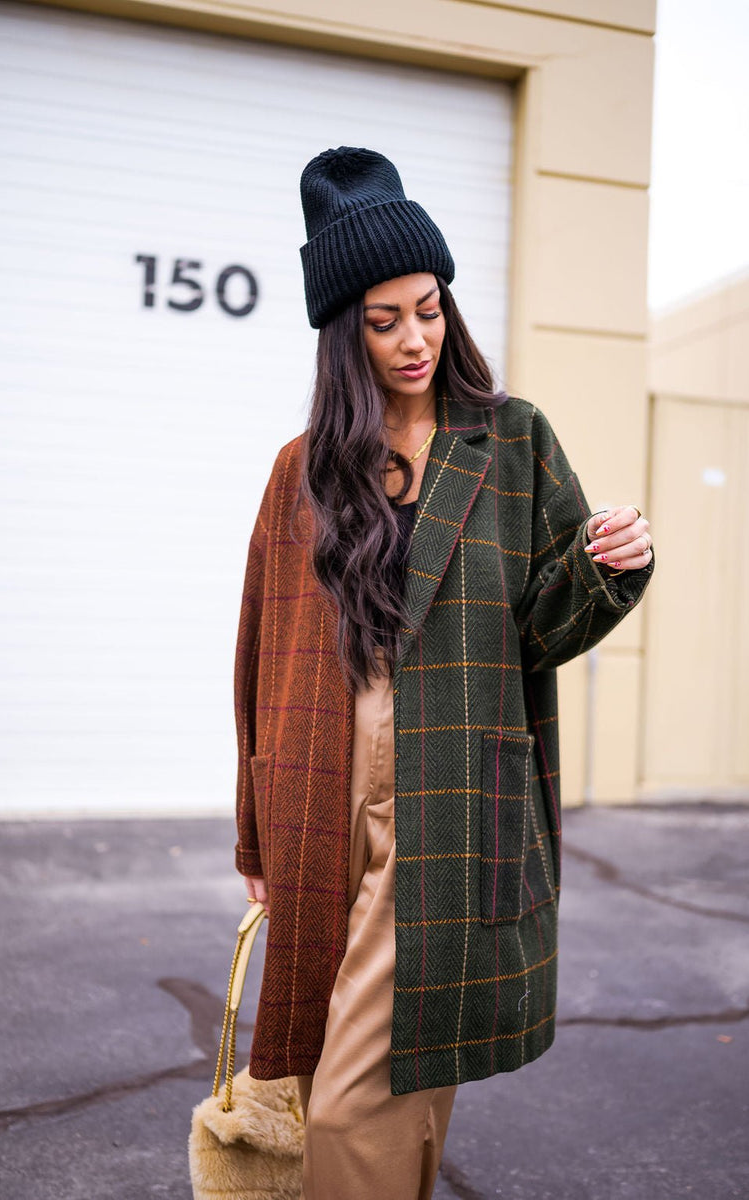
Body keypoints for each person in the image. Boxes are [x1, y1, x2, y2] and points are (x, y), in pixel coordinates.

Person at [233, 146, 655, 1199]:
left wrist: (611, 567)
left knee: (349, 1099)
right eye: (383, 321)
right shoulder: (305, 469)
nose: (415, 338)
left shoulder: (509, 442)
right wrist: (255, 832)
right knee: (386, 1077)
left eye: (429, 307)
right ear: (343, 333)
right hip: (326, 803)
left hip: (455, 803)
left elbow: (543, 623)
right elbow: (259, 658)